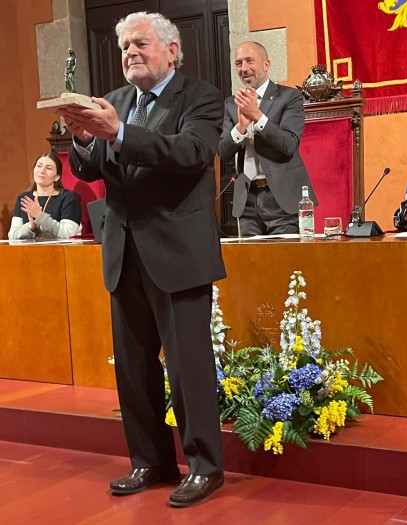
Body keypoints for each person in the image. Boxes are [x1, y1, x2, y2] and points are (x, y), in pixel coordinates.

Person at [57, 11, 226, 507]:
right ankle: (150, 461)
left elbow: (191, 152)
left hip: (178, 253)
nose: (130, 52)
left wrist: (118, 135)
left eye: (141, 44)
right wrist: (85, 139)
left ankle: (204, 467)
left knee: (187, 366)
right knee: (133, 368)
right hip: (123, 250)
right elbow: (93, 169)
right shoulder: (114, 103)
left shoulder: (200, 97)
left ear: (172, 50)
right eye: (124, 45)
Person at [218, 41, 317, 235]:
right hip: (247, 199)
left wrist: (257, 116)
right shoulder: (231, 104)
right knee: (252, 263)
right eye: (238, 63)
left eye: (249, 61)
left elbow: (289, 145)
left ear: (266, 64)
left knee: (285, 262)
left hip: (281, 197)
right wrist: (240, 127)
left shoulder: (289, 97)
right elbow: (222, 151)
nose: (244, 68)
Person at [8, 151, 82, 240]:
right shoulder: (24, 198)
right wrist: (30, 227)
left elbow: (68, 233)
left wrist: (40, 216)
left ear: (57, 177)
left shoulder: (69, 198)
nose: (42, 171)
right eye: (39, 166)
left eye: (49, 168)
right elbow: (12, 236)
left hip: (61, 252)